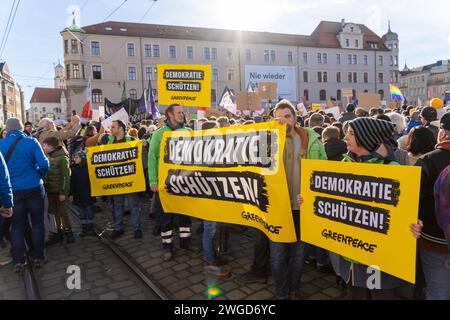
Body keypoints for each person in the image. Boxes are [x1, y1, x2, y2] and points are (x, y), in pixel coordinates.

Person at [334, 117, 422, 299]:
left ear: (366, 138)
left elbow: (408, 212)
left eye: (351, 133)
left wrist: (414, 224)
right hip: (351, 257)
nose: (345, 138)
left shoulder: (394, 170)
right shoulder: (344, 165)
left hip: (381, 261)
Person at [270, 99, 327, 300]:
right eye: (279, 117)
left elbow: (324, 171)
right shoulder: (266, 140)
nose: (284, 120)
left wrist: (312, 196)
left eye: (287, 116)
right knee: (277, 256)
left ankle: (294, 289)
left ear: (294, 118)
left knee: (299, 254)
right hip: (277, 209)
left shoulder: (310, 139)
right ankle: (280, 293)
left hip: (302, 208)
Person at [148, 104, 197, 261]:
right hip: (165, 183)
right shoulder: (159, 134)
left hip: (185, 182)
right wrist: (153, 181)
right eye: (179, 113)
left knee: (185, 214)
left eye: (182, 112)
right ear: (169, 115)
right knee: (166, 216)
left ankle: (185, 242)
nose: (182, 115)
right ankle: (167, 246)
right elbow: (152, 159)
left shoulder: (189, 132)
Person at [0, 118, 49, 272]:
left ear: (7, 130)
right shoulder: (32, 142)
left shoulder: (1, 144)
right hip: (34, 187)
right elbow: (44, 164)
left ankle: (19, 260)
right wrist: (40, 175)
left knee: (17, 226)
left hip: (13, 191)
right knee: (37, 223)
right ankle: (38, 256)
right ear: (21, 128)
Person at [415, 112, 450, 300]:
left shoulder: (428, 160)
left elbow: (411, 201)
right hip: (437, 241)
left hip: (435, 241)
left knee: (438, 292)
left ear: (443, 133)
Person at [101, 120, 142, 240]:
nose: (111, 129)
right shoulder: (109, 140)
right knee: (118, 204)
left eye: (113, 127)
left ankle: (137, 228)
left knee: (134, 204)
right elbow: (101, 155)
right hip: (116, 179)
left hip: (130, 179)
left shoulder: (132, 141)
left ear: (120, 128)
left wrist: (144, 143)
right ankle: (118, 227)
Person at [42, 136, 74, 245]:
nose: (43, 147)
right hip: (50, 191)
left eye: (44, 145)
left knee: (62, 213)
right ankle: (57, 232)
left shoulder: (62, 158)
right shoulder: (48, 157)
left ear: (51, 146)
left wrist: (63, 192)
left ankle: (68, 232)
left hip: (59, 192)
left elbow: (66, 177)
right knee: (53, 213)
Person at [70, 150, 96, 237]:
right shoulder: (73, 168)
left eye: (77, 157)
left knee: (89, 211)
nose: (74, 159)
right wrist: (71, 193)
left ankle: (91, 227)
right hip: (78, 194)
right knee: (81, 212)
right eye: (74, 157)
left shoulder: (89, 168)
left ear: (83, 158)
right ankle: (84, 228)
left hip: (88, 193)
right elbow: (72, 182)